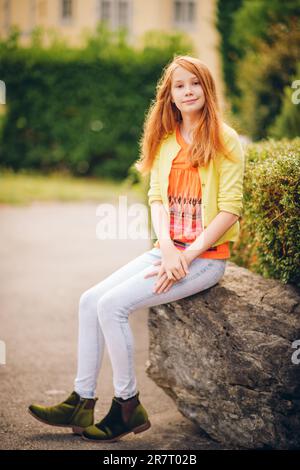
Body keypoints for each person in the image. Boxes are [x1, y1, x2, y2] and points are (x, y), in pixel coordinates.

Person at [28, 55, 245, 443]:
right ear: (170, 95)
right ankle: (81, 399)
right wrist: (166, 247)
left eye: (195, 83)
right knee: (90, 300)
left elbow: (230, 209)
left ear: (207, 90)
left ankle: (127, 405)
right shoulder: (165, 139)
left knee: (114, 306)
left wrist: (187, 255)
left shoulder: (225, 140)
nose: (188, 91)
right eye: (180, 85)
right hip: (167, 251)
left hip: (205, 260)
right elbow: (157, 197)